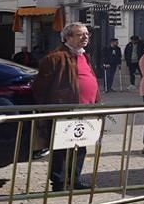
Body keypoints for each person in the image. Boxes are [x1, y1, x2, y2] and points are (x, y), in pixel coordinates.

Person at [33, 22, 100, 191]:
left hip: (85, 109)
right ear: (67, 38)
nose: (85, 37)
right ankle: (59, 182)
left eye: (87, 34)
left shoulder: (84, 56)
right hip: (64, 109)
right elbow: (40, 86)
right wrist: (52, 106)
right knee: (62, 147)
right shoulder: (55, 58)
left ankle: (75, 179)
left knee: (81, 146)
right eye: (80, 34)